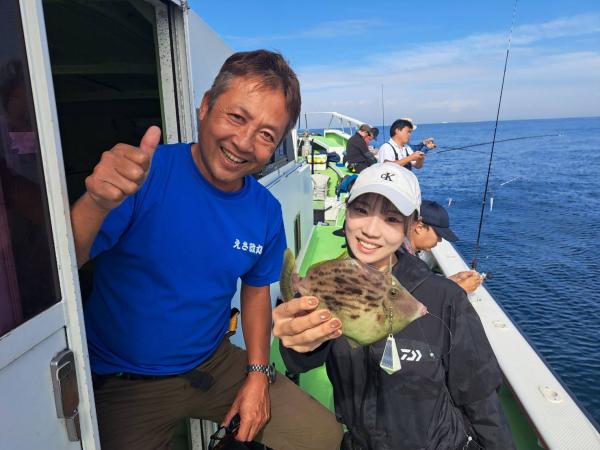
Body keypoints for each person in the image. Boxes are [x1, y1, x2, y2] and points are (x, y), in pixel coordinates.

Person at [70, 50, 342, 450]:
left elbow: (256, 292)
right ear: (206, 106)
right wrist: (95, 202)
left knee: (322, 437)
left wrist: (257, 374)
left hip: (212, 362)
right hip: (126, 380)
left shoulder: (265, 210)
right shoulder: (146, 176)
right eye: (237, 117)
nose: (243, 143)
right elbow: (62, 269)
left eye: (267, 135)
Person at [273, 163, 515, 450]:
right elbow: (301, 362)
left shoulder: (446, 297)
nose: (370, 230)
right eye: (361, 210)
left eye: (391, 218)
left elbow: (479, 396)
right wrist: (296, 341)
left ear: (411, 225)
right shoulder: (332, 284)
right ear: (347, 211)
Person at [408, 199, 484, 293]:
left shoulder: (407, 254)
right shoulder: (403, 261)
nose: (440, 240)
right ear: (419, 227)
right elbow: (411, 298)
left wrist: (452, 280)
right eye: (438, 234)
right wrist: (459, 289)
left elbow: (420, 288)